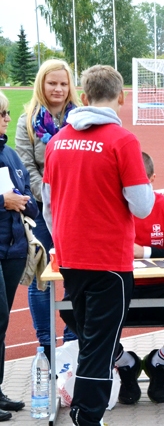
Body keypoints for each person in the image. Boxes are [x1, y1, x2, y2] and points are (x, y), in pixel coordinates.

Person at [43, 65, 155, 426]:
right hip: (109, 261)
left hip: (72, 259)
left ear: (84, 96)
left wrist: (63, 239)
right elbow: (141, 205)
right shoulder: (123, 141)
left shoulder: (58, 141)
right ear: (121, 97)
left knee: (91, 337)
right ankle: (87, 416)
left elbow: (48, 203)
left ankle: (85, 412)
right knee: (100, 345)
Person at [62, 152, 164, 406]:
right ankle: (125, 363)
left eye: (140, 185)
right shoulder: (104, 209)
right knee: (71, 304)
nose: (132, 193)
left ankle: (160, 361)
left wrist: (144, 252)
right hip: (117, 291)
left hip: (163, 290)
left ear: (152, 179)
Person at [15, 59, 80, 360]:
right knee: (42, 277)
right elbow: (25, 168)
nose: (58, 88)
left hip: (76, 208)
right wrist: (51, 194)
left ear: (70, 87)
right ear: (41, 84)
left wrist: (70, 193)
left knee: (73, 274)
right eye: (52, 82)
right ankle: (46, 345)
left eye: (63, 83)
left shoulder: (80, 119)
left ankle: (71, 340)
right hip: (41, 209)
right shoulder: (27, 120)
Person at [0, 91, 38, 421]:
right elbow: (7, 198)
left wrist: (26, 202)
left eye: (8, 114)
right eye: (2, 114)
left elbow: (25, 195)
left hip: (13, 250)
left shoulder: (10, 155)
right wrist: (4, 201)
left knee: (1, 323)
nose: (7, 120)